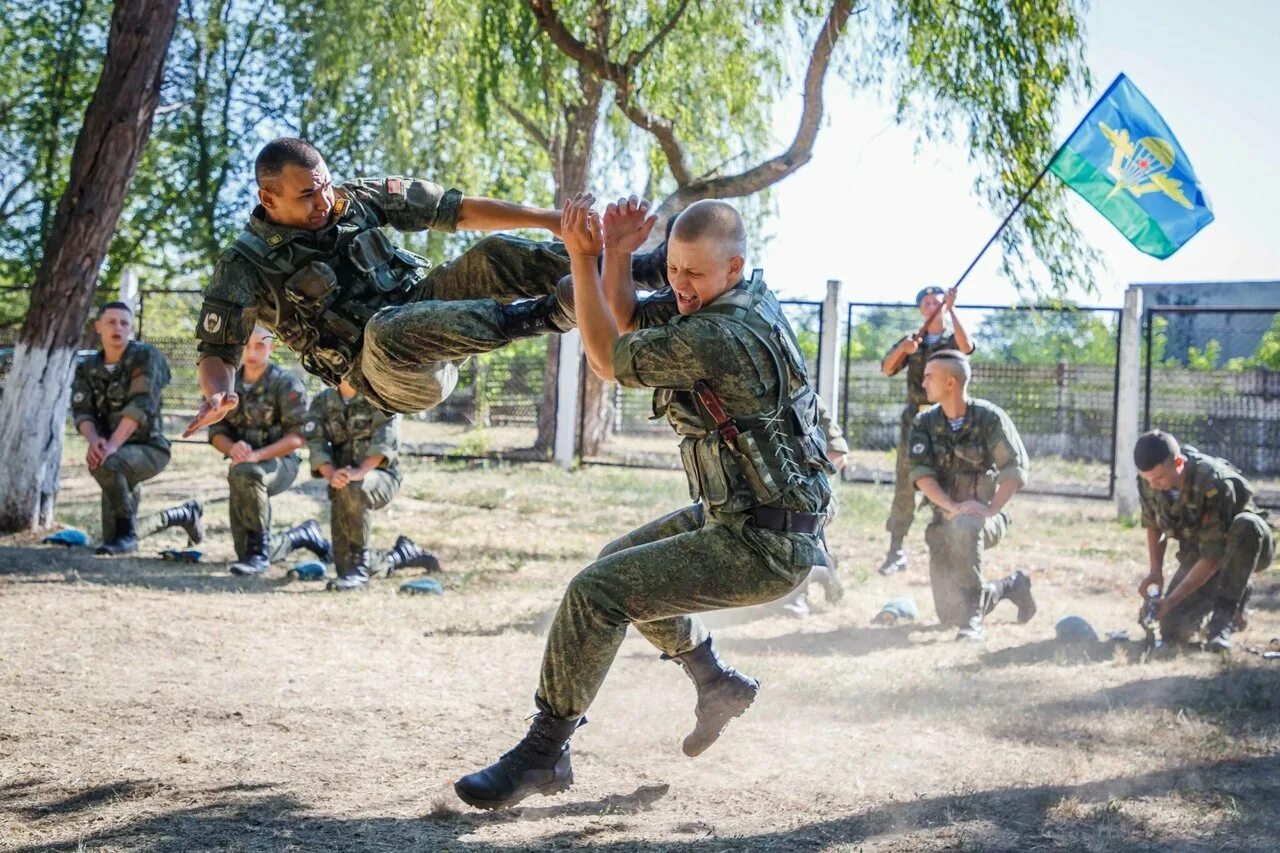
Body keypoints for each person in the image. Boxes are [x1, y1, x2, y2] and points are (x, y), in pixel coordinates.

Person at [455, 195, 837, 810]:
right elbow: (627, 317)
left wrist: (585, 259)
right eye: (675, 270)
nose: (681, 287)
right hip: (744, 513)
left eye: (695, 275)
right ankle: (714, 681)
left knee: (597, 591)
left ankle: (542, 755)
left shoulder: (719, 334)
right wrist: (621, 256)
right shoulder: (732, 298)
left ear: (733, 268)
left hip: (765, 541)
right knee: (619, 565)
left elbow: (606, 357)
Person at [186, 137, 666, 436]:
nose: (324, 200)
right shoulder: (244, 265)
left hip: (429, 305)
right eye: (307, 195)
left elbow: (456, 210)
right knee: (388, 330)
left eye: (326, 185)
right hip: (386, 370)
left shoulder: (354, 199)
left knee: (492, 257)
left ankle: (647, 272)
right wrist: (217, 394)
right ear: (268, 198)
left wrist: (549, 221)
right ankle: (550, 313)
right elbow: (217, 349)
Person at [908, 350, 1035, 641]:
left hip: (985, 519)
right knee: (947, 614)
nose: (923, 383)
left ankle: (972, 620)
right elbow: (921, 475)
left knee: (965, 527)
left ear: (951, 382)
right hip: (943, 520)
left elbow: (1014, 469)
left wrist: (990, 510)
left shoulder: (989, 418)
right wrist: (951, 506)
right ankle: (1012, 586)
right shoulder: (923, 423)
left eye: (929, 377)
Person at [71, 302, 203, 554]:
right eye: (111, 322)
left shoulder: (145, 356)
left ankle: (127, 532)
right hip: (112, 451)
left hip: (149, 448)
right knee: (113, 538)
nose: (117, 328)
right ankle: (182, 515)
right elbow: (82, 411)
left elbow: (140, 406)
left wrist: (109, 447)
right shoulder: (87, 367)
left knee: (108, 466)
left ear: (131, 327)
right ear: (98, 326)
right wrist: (95, 440)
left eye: (124, 323)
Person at [1134, 430, 1274, 651]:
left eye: (1159, 478)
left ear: (1178, 462)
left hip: (1246, 548)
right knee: (1172, 629)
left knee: (1246, 524)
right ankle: (1221, 595)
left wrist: (1170, 601)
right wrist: (1155, 572)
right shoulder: (1151, 481)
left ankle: (1224, 619)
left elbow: (1214, 557)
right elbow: (1153, 524)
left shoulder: (1211, 483)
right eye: (1147, 479)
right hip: (1200, 550)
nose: (1153, 486)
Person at [207, 326, 332, 574]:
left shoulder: (285, 383)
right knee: (242, 550)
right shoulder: (228, 383)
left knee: (247, 472)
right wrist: (234, 448)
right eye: (246, 345)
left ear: (272, 348)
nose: (252, 352)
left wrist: (256, 456)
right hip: (242, 464)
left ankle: (258, 553)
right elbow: (215, 432)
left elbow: (298, 437)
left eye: (260, 345)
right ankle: (299, 537)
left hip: (281, 462)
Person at [876, 286, 975, 575]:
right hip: (916, 421)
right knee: (906, 481)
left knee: (948, 479)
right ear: (921, 309)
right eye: (927, 302)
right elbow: (886, 368)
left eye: (937, 301)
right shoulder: (913, 340)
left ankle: (950, 546)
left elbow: (967, 347)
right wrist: (903, 350)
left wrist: (954, 310)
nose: (932, 305)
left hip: (947, 421)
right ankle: (896, 550)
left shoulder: (951, 340)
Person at [307, 379, 439, 590]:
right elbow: (316, 443)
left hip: (380, 476)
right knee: (343, 566)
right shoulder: (323, 401)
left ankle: (359, 572)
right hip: (341, 483)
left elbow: (384, 444)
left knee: (355, 487)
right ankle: (401, 555)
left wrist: (359, 473)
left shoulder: (380, 394)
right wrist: (332, 474)